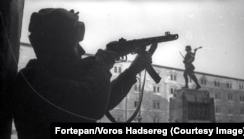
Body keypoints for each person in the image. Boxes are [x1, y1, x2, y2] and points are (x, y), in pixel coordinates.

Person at [12, 8, 152, 139]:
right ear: (58, 48)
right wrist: (101, 64)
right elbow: (92, 104)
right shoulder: (30, 80)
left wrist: (132, 71)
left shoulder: (43, 78)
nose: (82, 51)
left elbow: (104, 101)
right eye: (75, 45)